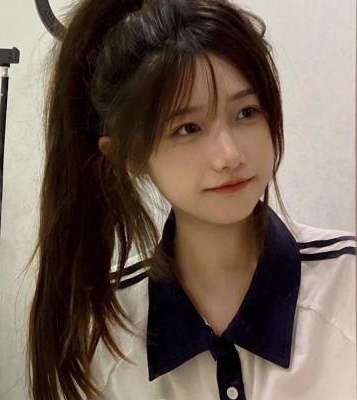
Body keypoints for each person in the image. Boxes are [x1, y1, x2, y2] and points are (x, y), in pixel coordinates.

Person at [24, 0, 357, 399]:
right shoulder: (103, 329)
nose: (229, 155)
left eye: (246, 112)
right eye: (187, 128)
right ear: (128, 155)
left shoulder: (346, 285)